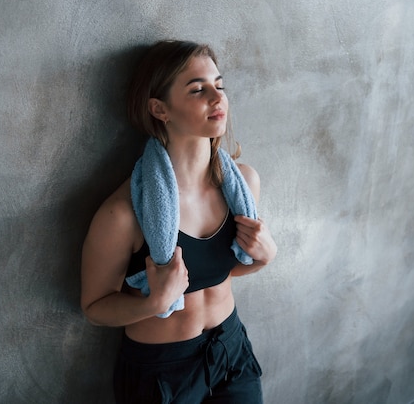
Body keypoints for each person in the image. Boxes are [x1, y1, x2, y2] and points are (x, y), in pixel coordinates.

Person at [80, 40, 278, 403]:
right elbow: (94, 308)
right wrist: (152, 304)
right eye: (198, 89)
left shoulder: (244, 185)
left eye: (219, 86)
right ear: (160, 108)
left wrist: (265, 258)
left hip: (230, 352)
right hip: (162, 373)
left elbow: (219, 272)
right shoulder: (123, 215)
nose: (218, 99)